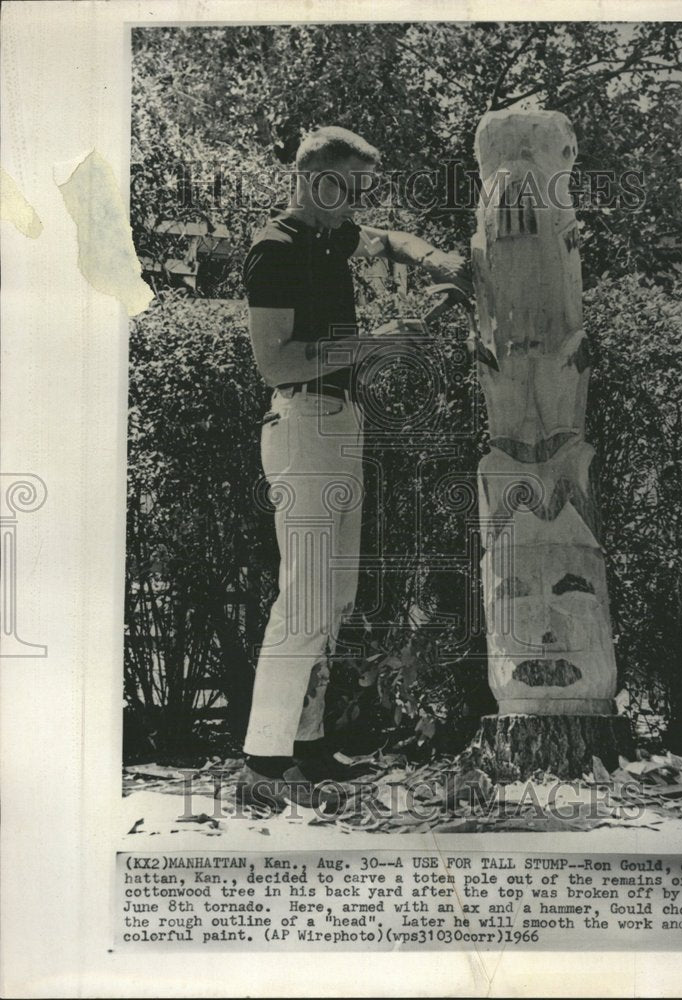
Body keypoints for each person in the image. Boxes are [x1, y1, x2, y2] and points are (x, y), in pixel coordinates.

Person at [239, 125, 470, 806]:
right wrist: (371, 344)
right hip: (301, 420)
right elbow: (275, 362)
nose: (356, 202)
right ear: (312, 179)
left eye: (363, 190)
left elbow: (386, 240)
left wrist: (436, 258)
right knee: (304, 596)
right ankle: (262, 758)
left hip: (341, 421)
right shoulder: (274, 249)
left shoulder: (330, 233)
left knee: (333, 598)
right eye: (347, 187)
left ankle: (304, 748)